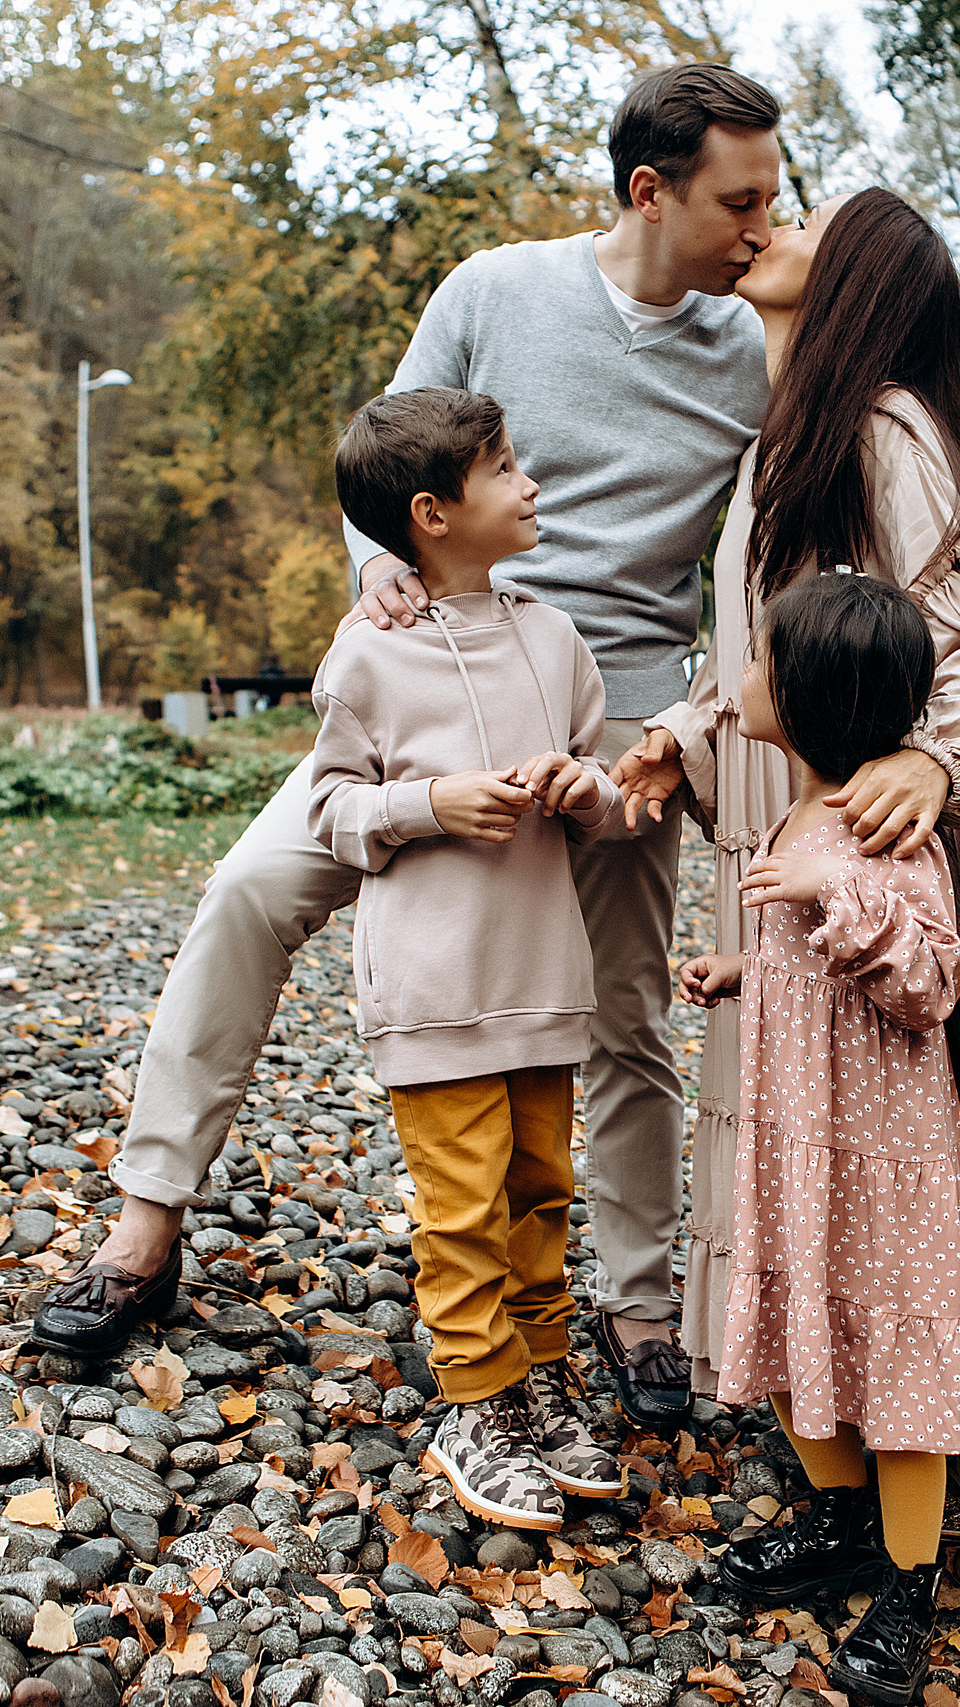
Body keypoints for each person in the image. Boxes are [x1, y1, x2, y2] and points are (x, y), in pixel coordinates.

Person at [29, 65, 786, 1427]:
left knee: (620, 1005)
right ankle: (145, 1222)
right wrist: (377, 572)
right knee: (250, 891)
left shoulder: (749, 351)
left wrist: (679, 723)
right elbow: (386, 456)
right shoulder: (494, 290)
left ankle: (636, 1301)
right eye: (740, 202)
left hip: (607, 704)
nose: (760, 228)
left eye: (772, 203)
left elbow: (757, 561)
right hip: (430, 667)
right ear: (650, 189)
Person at [614, 188, 960, 1663]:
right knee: (853, 1181)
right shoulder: (786, 441)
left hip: (939, 863)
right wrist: (678, 736)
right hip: (812, 863)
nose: (765, 222)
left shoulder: (885, 432)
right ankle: (869, 1495)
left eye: (801, 211)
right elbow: (775, 667)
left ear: (861, 275)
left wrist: (935, 761)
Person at [680, 572, 960, 1706]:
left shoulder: (880, 827)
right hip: (793, 1152)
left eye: (763, 664)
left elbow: (931, 979)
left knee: (901, 1372)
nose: (746, 680)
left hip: (883, 1166)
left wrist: (836, 893)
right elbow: (803, 962)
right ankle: (842, 1521)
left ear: (810, 697)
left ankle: (909, 1581)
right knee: (777, 1323)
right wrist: (740, 969)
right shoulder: (798, 813)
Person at [305, 387, 624, 1531]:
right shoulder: (367, 657)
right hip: (436, 992)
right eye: (505, 470)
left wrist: (586, 790)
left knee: (542, 1191)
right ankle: (472, 1401)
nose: (530, 484)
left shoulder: (551, 633)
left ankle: (538, 1379)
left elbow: (605, 788)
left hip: (543, 977)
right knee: (462, 1209)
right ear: (433, 515)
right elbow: (326, 812)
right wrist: (429, 804)